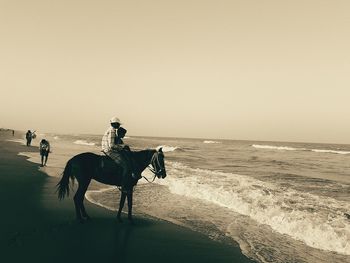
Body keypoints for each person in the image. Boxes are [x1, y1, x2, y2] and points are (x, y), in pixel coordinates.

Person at [101, 117, 139, 190]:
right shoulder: (112, 131)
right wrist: (122, 146)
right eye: (118, 124)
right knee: (125, 164)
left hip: (107, 149)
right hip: (109, 150)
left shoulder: (110, 130)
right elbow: (111, 145)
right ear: (114, 124)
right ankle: (124, 183)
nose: (119, 126)